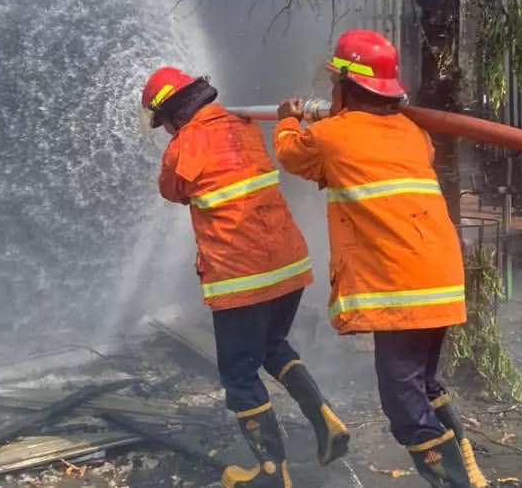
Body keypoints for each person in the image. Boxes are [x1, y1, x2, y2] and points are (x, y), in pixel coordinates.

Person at [271, 29, 489, 488]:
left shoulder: (331, 136)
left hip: (401, 284)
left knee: (403, 402)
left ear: (347, 88)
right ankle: (469, 471)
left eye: (335, 82)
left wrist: (287, 119)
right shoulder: (415, 135)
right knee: (424, 384)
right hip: (440, 277)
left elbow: (293, 155)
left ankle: (456, 483)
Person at [140, 66, 351, 488]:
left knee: (238, 373)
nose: (165, 131)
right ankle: (325, 418)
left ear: (176, 115)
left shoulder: (184, 147)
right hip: (287, 263)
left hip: (241, 276)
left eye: (163, 122)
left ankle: (272, 473)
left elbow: (171, 189)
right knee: (272, 344)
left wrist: (180, 143)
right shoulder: (245, 125)